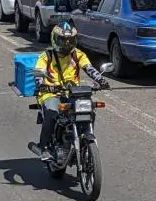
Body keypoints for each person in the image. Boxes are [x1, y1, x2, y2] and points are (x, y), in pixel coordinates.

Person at [35, 21, 109, 162]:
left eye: (70, 40)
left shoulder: (78, 55)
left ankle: (84, 139)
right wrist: (42, 85)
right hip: (50, 93)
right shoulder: (46, 56)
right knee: (52, 112)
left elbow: (89, 69)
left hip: (73, 92)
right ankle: (43, 148)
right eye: (62, 40)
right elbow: (39, 73)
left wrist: (101, 80)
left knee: (90, 109)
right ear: (55, 39)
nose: (66, 44)